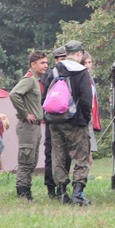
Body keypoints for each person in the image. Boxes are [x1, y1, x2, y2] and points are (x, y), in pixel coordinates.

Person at [48, 40, 93, 205]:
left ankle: (61, 193)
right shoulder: (82, 72)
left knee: (58, 157)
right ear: (79, 54)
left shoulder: (54, 71)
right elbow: (87, 100)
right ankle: (78, 194)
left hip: (54, 120)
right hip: (75, 120)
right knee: (81, 158)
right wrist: (85, 119)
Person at [9, 50, 49, 201]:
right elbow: (14, 94)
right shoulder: (30, 79)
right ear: (33, 65)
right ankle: (23, 194)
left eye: (46, 62)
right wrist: (25, 114)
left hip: (35, 127)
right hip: (27, 126)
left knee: (31, 161)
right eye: (42, 63)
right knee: (25, 161)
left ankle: (27, 193)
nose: (46, 65)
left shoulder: (37, 80)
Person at [40, 46, 69, 199]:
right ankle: (51, 186)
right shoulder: (50, 75)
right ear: (56, 60)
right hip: (52, 119)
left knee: (67, 154)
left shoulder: (73, 73)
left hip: (68, 119)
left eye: (66, 58)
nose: (63, 62)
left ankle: (63, 186)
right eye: (61, 59)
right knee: (50, 153)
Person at [80, 51, 101, 160]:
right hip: (83, 115)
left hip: (90, 114)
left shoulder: (91, 80)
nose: (88, 65)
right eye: (85, 63)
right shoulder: (80, 78)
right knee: (85, 151)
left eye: (90, 62)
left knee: (89, 151)